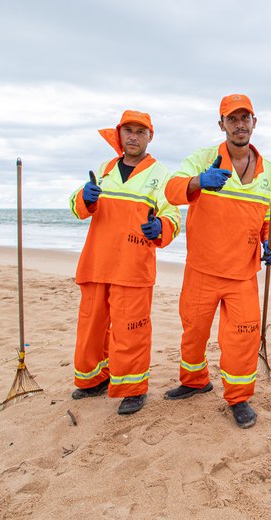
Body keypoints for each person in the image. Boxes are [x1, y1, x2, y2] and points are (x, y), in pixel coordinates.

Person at [162, 94, 271, 429]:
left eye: (245, 119)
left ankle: (239, 398)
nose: (239, 125)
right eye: (232, 119)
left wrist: (269, 240)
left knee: (243, 336)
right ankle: (195, 380)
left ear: (254, 123)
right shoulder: (203, 157)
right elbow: (171, 190)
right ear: (221, 124)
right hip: (203, 267)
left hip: (243, 271)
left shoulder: (268, 170)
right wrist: (200, 181)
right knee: (194, 331)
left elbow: (268, 217)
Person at [69, 110, 181, 415]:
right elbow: (76, 209)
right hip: (96, 262)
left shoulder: (162, 175)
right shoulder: (103, 169)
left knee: (131, 329)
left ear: (150, 137)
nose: (133, 136)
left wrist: (161, 227)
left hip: (133, 267)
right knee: (91, 326)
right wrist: (85, 197)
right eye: (128, 130)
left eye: (140, 131)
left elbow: (173, 216)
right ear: (119, 134)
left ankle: (133, 389)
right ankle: (93, 379)